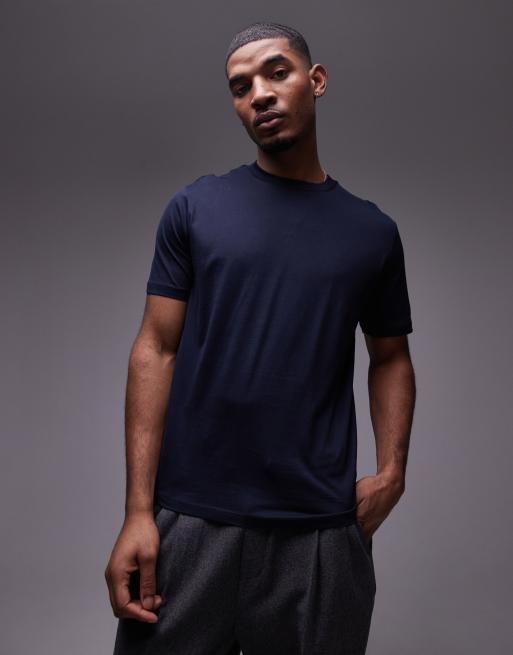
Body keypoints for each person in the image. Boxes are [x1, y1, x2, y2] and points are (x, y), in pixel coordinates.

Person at [105, 20, 416, 655]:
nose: (260, 94)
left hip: (320, 530)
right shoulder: (196, 209)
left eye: (277, 72)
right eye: (241, 86)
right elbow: (155, 349)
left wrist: (393, 473)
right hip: (191, 519)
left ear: (316, 80)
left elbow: (390, 357)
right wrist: (138, 512)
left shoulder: (372, 232)